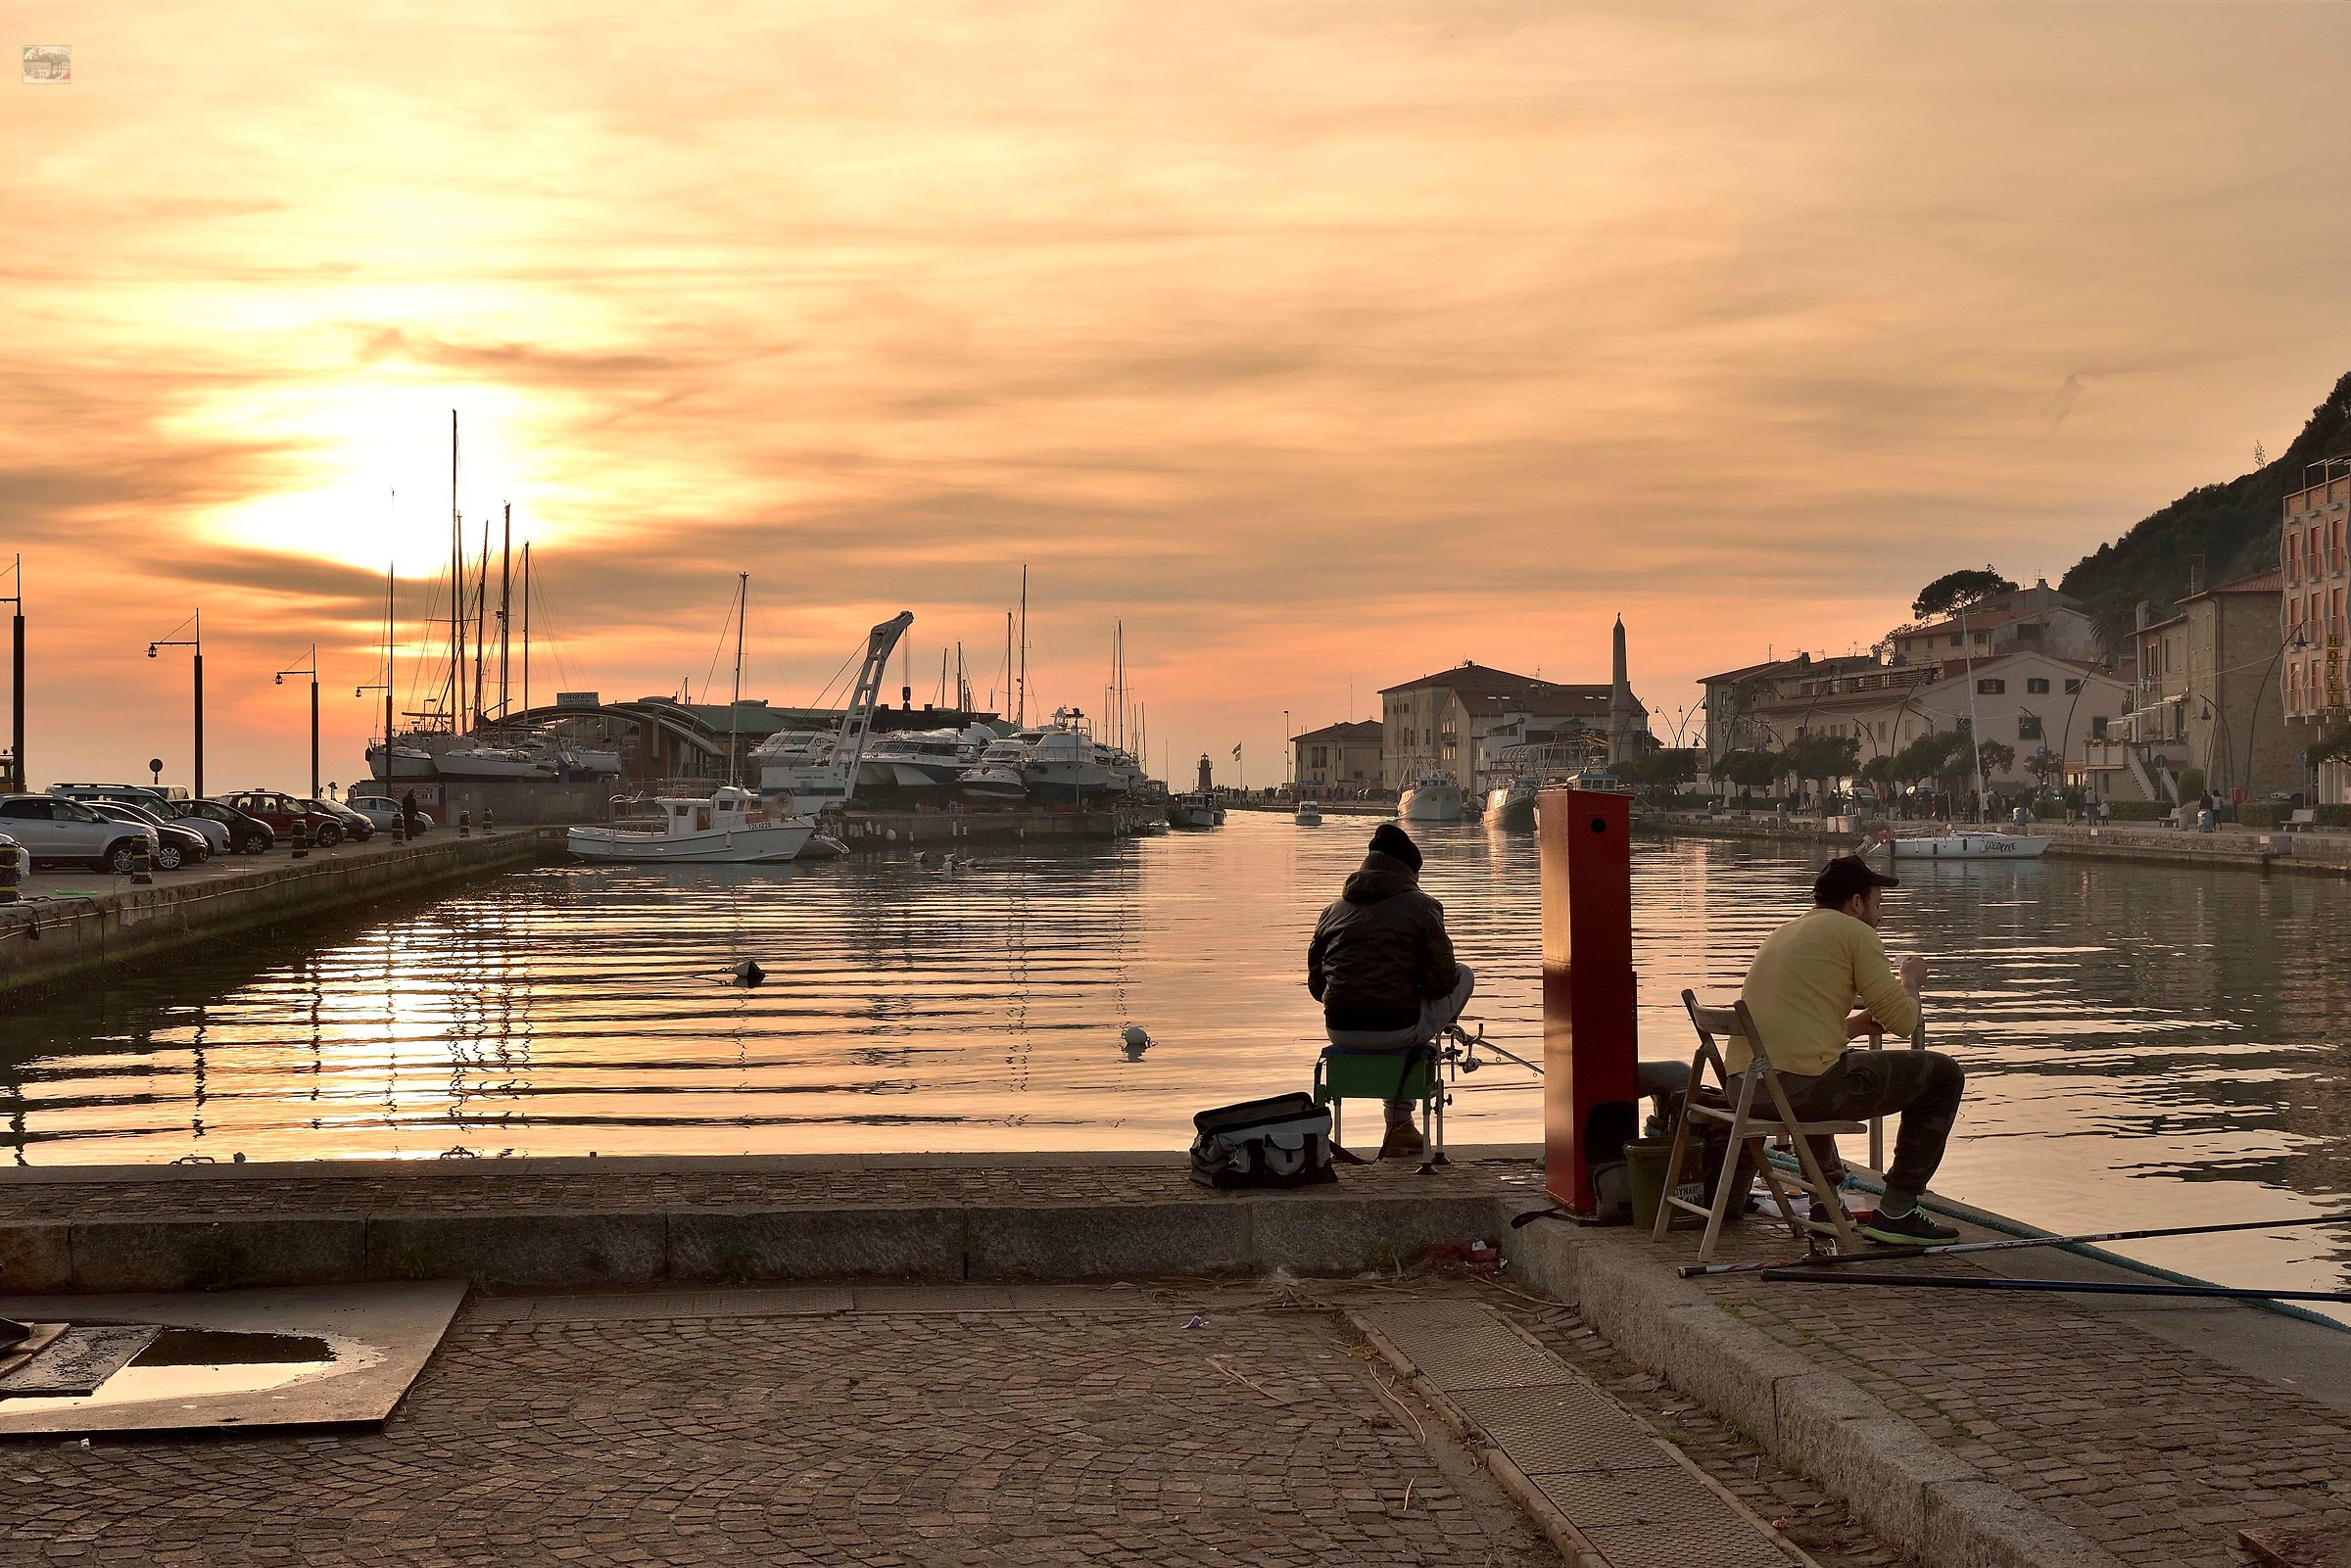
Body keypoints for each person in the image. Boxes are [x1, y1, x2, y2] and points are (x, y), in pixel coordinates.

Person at [1737, 854, 1963, 1245]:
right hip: (1794, 1090)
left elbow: (1794, 1033)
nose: (1880, 916)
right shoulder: (1856, 933)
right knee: (1944, 1075)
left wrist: (1855, 1026)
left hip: (1746, 1089)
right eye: (1877, 904)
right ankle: (1898, 1209)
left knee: (1825, 1068)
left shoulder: (1784, 932)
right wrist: (1909, 979)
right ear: (1856, 903)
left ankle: (1826, 1203)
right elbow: (1904, 1022)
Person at [1307, 823, 1473, 1160]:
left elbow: (1316, 984)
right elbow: (1443, 980)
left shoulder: (1332, 911)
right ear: (1410, 872)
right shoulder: (1423, 906)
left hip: (1340, 1030)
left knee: (1394, 1009)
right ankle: (1399, 1122)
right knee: (1464, 975)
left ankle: (1400, 1127)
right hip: (1397, 1029)